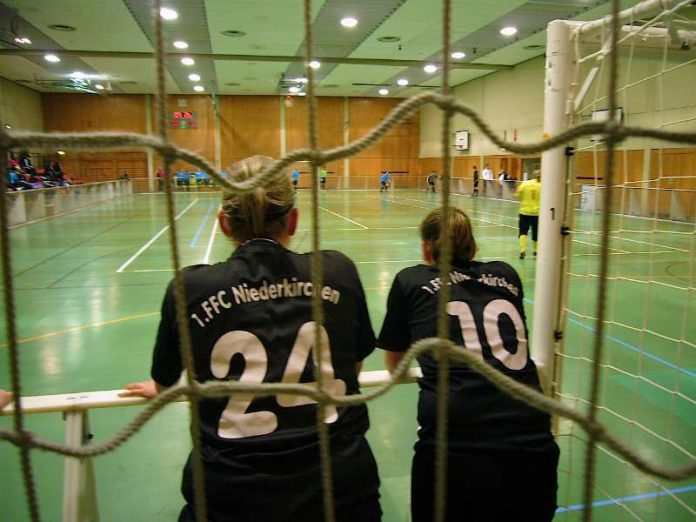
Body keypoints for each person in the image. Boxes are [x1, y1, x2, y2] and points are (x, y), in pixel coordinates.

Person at [122, 155, 381, 522]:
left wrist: (159, 386)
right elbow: (353, 362)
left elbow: (165, 382)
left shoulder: (190, 288)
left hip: (231, 494)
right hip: (340, 490)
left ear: (225, 224)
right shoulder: (336, 271)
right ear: (293, 219)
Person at [377, 207, 559, 522]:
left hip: (455, 448)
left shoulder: (411, 280)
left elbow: (395, 364)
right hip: (532, 443)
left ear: (426, 248)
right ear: (471, 245)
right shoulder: (507, 275)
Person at [516, 169, 541, 259]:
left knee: (523, 232)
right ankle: (536, 251)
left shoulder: (524, 184)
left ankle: (523, 250)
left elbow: (518, 195)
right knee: (536, 232)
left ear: (533, 175)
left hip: (524, 212)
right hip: (537, 213)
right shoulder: (542, 186)